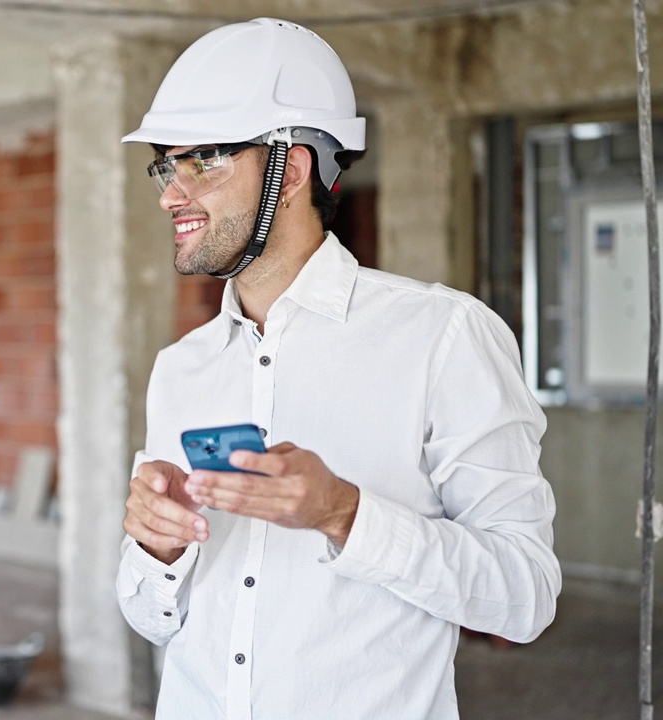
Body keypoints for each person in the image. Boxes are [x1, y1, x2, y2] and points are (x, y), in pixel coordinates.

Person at [116, 17, 559, 719]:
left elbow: (525, 596)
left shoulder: (442, 337)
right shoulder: (182, 367)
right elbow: (152, 619)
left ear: (289, 171)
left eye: (202, 161)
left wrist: (345, 514)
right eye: (167, 166)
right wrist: (156, 551)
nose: (171, 194)